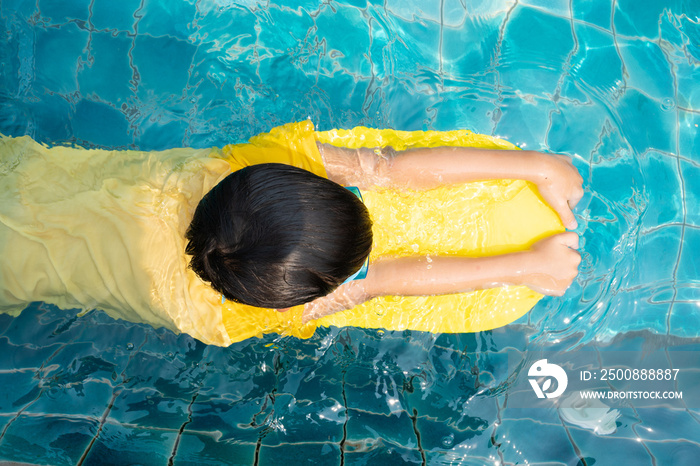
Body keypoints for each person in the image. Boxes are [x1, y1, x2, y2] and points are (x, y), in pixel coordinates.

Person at [185, 127, 584, 325]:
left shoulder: (271, 164)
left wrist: (538, 166)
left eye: (352, 193)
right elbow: (380, 281)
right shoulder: (280, 308)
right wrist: (524, 266)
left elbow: (382, 170)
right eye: (356, 269)